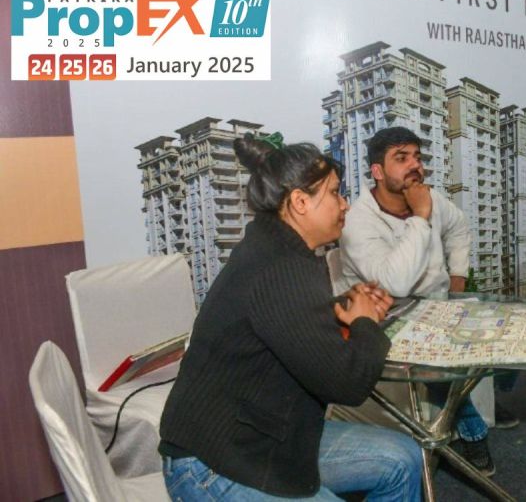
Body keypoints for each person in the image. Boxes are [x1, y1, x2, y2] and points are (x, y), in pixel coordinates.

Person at [158, 133, 422, 501]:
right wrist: (364, 322)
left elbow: (285, 323)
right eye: (335, 193)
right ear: (299, 202)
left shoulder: (280, 248)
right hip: (213, 463)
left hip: (266, 432)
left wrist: (344, 308)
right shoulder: (280, 267)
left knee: (403, 459)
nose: (344, 204)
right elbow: (347, 384)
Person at [338, 126, 504, 475]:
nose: (415, 165)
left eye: (417, 156)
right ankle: (474, 434)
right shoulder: (357, 221)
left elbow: (459, 228)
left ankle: (493, 401)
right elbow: (395, 284)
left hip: (439, 305)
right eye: (401, 158)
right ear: (377, 171)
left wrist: (457, 279)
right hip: (388, 319)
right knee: (442, 366)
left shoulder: (431, 198)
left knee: (503, 335)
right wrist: (421, 216)